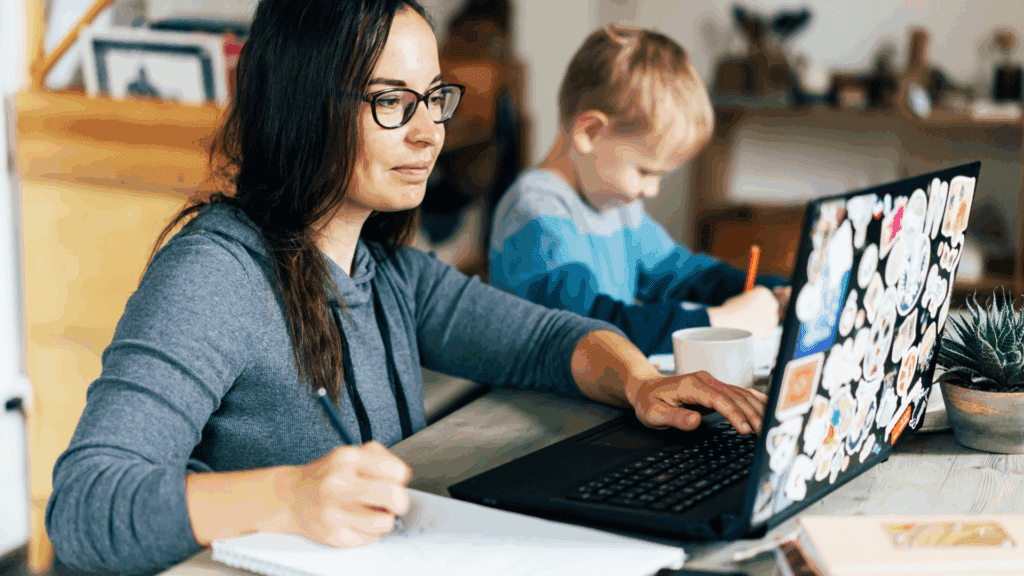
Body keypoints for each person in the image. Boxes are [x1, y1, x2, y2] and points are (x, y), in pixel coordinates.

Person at [44, 3, 767, 575]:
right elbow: (84, 504)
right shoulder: (214, 275)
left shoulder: (388, 272)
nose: (430, 135)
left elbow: (548, 338)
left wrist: (639, 381)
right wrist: (287, 496)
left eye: (434, 99)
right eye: (393, 101)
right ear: (304, 105)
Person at [489, 24, 791, 356]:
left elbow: (682, 274)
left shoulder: (616, 206)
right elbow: (593, 327)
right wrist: (718, 322)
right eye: (645, 171)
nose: (652, 189)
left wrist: (772, 290)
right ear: (590, 132)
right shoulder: (536, 213)